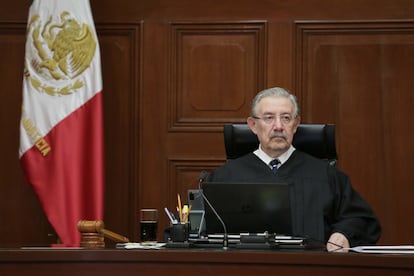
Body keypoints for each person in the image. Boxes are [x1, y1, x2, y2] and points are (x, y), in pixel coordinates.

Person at [207, 87, 381, 252]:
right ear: (253, 125)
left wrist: (343, 234)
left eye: (286, 118)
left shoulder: (326, 175)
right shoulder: (223, 177)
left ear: (296, 124)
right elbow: (200, 228)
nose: (278, 126)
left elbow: (361, 219)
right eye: (269, 118)